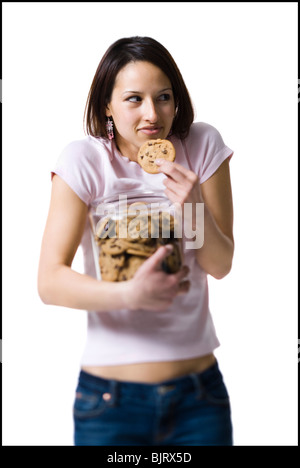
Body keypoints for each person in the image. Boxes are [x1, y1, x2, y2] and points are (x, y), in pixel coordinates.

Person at [38, 36, 235, 446]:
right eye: (133, 99)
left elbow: (220, 264)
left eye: (163, 97)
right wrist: (131, 294)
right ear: (106, 106)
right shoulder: (85, 161)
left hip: (198, 396)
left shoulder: (200, 146)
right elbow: (50, 281)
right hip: (110, 402)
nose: (152, 114)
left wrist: (193, 203)